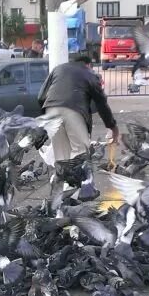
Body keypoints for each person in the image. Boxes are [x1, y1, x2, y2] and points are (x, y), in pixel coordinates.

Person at [38, 53, 118, 193]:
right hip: (73, 110)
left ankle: (61, 192)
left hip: (50, 110)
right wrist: (112, 126)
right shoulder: (89, 74)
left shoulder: (58, 69)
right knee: (80, 150)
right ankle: (76, 191)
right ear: (88, 64)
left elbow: (41, 96)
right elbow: (101, 103)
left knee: (61, 155)